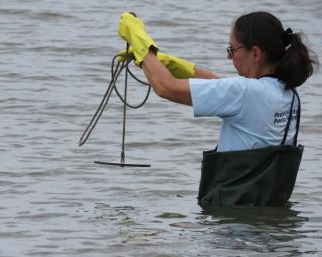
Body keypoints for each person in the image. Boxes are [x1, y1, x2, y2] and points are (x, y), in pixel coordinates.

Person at [117, 11, 319, 207]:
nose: (229, 57)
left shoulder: (243, 92)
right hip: (268, 219)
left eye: (232, 50)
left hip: (231, 225)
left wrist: (142, 45)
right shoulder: (289, 94)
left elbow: (165, 87)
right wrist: (179, 67)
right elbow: (227, 90)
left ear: (255, 53)